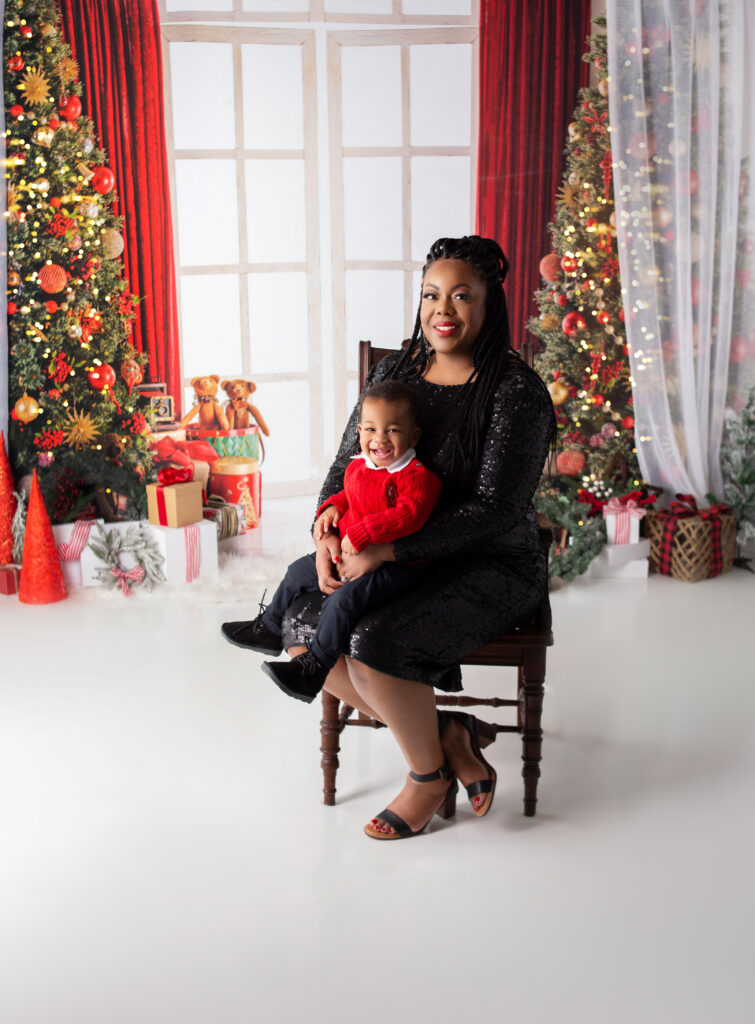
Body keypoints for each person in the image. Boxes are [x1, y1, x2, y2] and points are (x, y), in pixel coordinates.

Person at [242, 235, 555, 842]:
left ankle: (425, 775)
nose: (444, 310)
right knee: (301, 628)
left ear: (490, 304)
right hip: (386, 552)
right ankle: (449, 736)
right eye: (432, 294)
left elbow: (496, 510)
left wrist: (385, 550)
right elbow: (345, 466)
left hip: (487, 562)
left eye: (462, 296)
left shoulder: (515, 392)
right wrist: (327, 530)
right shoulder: (395, 372)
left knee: (371, 639)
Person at [221, 380, 441, 703]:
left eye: (392, 430)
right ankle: (268, 628)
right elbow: (348, 494)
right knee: (298, 571)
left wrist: (365, 531)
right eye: (369, 429)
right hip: (348, 551)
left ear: (413, 436)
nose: (378, 439)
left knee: (342, 602)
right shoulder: (359, 466)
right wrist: (332, 508)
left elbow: (410, 514)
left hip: (395, 567)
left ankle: (314, 668)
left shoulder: (417, 477)